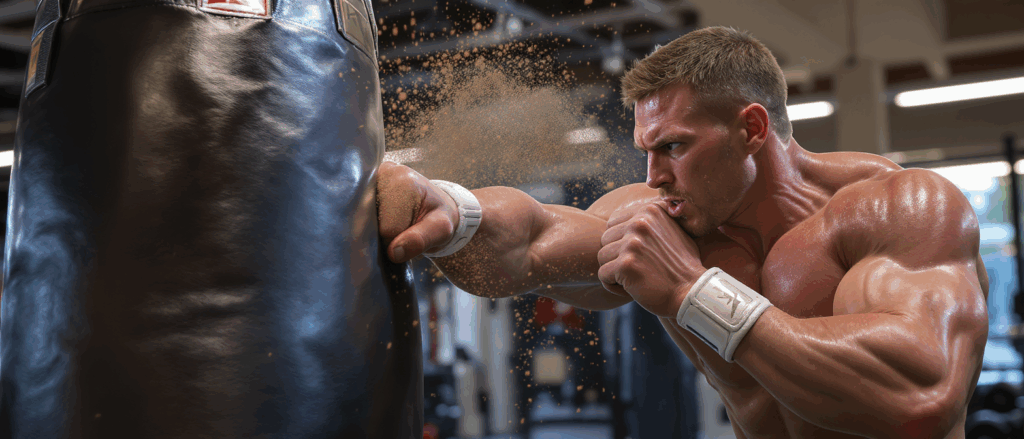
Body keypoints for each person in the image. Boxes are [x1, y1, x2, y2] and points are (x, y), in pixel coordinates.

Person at [377, 26, 988, 438]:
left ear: (750, 129)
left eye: (673, 146)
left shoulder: (897, 208)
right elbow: (530, 243)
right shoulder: (675, 221)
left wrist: (694, 295)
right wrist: (456, 214)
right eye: (648, 149)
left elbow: (920, 393)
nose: (653, 175)